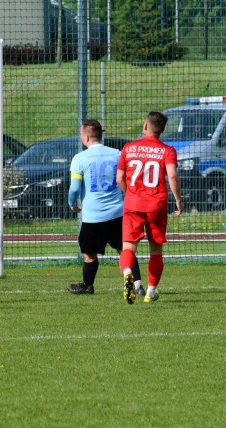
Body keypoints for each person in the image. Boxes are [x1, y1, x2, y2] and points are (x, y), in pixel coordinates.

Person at [66, 120, 142, 297]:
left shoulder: (80, 158)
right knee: (125, 250)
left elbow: (75, 188)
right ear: (101, 135)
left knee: (90, 255)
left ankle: (88, 285)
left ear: (85, 137)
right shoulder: (117, 154)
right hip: (118, 212)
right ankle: (137, 285)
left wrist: (71, 203)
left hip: (93, 216)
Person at [116, 110, 183, 304]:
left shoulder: (128, 148)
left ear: (145, 126)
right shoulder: (167, 150)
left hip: (133, 203)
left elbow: (119, 178)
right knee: (156, 250)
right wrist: (178, 199)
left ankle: (128, 272)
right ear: (162, 130)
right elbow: (172, 175)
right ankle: (151, 293)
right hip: (156, 205)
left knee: (128, 246)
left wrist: (130, 194)